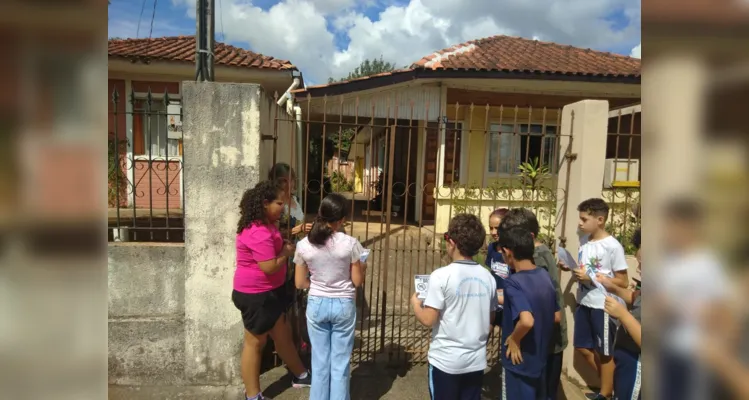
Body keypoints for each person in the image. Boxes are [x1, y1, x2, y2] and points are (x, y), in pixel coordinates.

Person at [231, 180, 311, 400]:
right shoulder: (259, 232)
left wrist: (282, 243)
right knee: (255, 342)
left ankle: (301, 375)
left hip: (270, 293)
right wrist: (285, 253)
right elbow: (267, 266)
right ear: (265, 203)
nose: (283, 208)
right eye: (279, 203)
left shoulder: (267, 225)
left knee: (282, 334)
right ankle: (253, 395)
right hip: (257, 295)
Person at [410, 214, 498, 400]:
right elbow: (490, 320)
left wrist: (416, 304)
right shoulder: (488, 277)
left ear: (451, 242)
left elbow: (428, 319)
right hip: (475, 360)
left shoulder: (441, 276)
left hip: (445, 361)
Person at [293, 193, 367, 400]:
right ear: (342, 219)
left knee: (319, 361)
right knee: (340, 362)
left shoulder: (304, 245)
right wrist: (363, 266)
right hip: (343, 303)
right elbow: (357, 281)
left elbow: (299, 283)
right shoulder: (350, 244)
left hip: (317, 303)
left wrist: (317, 285)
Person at [498, 208, 567, 400]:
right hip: (539, 360)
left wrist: (514, 339)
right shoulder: (544, 275)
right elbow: (556, 315)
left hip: (518, 362)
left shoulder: (513, 282)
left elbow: (527, 321)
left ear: (507, 252)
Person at [567, 198, 629, 400]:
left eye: (584, 219)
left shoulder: (613, 246)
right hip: (584, 302)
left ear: (600, 219)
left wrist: (591, 278)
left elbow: (623, 281)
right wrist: (571, 268)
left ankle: (605, 393)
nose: (580, 223)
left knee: (604, 352)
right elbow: (588, 269)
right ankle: (611, 387)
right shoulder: (585, 241)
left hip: (603, 305)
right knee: (583, 348)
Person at [598, 227, 642, 400]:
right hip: (626, 361)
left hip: (636, 365)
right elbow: (635, 297)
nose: (638, 269)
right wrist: (614, 288)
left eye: (642, 264)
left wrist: (623, 314)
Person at [269, 163, 313, 239]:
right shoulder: (275, 204)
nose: (289, 184)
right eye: (284, 181)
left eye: (291, 180)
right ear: (276, 182)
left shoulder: (295, 199)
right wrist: (296, 230)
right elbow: (273, 233)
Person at [486, 208, 509, 326]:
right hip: (494, 301)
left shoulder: (513, 251)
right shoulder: (492, 248)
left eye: (497, 228)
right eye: (491, 228)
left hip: (509, 302)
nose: (493, 232)